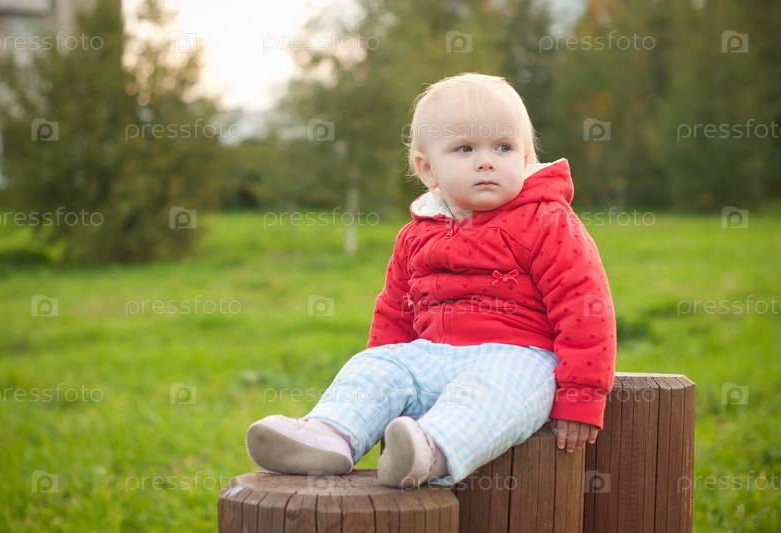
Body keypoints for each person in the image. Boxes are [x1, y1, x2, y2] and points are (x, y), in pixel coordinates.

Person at [247, 72, 616, 488]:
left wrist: (581, 396)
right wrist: (386, 374)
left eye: (504, 147)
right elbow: (394, 312)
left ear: (526, 158)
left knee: (492, 392)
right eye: (464, 149)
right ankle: (331, 434)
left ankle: (430, 450)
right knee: (375, 365)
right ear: (427, 169)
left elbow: (585, 306)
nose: (486, 160)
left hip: (518, 356)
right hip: (430, 355)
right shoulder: (417, 233)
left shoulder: (546, 221)